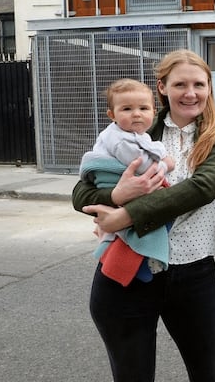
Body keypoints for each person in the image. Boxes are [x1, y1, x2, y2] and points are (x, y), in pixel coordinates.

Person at [73, 49, 215, 382]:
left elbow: (201, 189)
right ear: (162, 87)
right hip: (128, 275)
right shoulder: (136, 130)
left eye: (199, 84)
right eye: (180, 84)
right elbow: (81, 191)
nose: (190, 93)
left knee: (210, 375)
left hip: (194, 276)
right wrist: (116, 195)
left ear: (209, 87)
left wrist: (126, 215)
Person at [79, 78, 176, 287]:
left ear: (153, 111)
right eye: (127, 109)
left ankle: (133, 260)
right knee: (146, 225)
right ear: (112, 115)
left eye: (143, 108)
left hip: (120, 186)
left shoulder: (133, 134)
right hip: (112, 180)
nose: (136, 114)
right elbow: (140, 165)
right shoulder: (121, 139)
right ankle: (140, 265)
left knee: (132, 226)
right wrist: (165, 165)